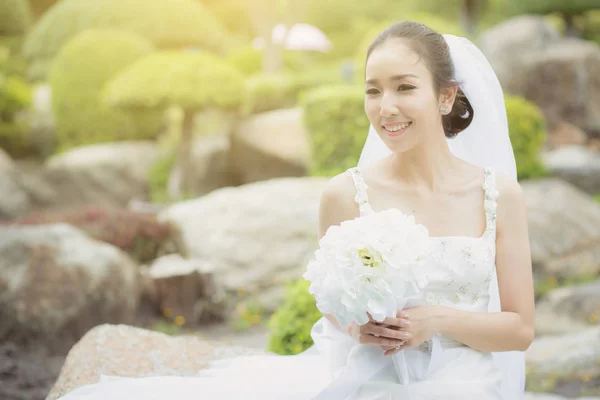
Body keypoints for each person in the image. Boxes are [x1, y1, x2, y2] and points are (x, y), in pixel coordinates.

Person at [57, 21, 534, 400]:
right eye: (373, 90)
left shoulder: (498, 195)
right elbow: (333, 307)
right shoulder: (345, 195)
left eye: (404, 87)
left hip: (470, 386)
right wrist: (360, 328)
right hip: (378, 382)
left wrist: (437, 321)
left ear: (446, 96)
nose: (386, 107)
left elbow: (520, 328)